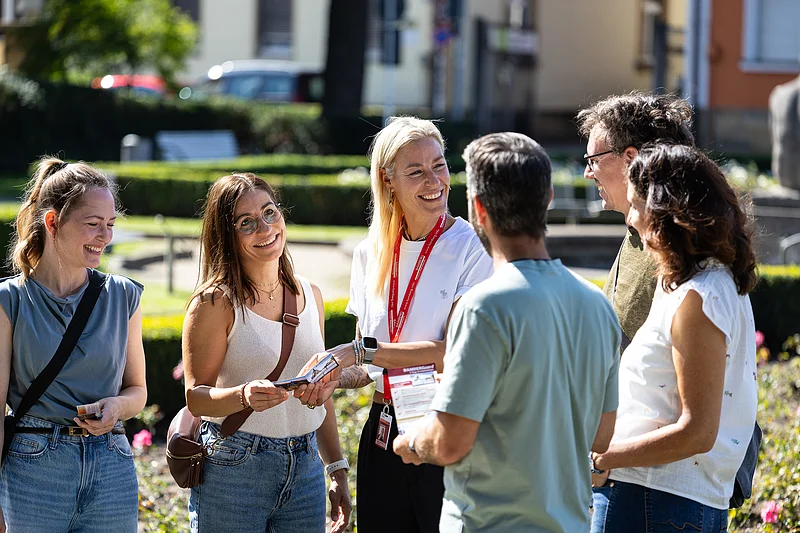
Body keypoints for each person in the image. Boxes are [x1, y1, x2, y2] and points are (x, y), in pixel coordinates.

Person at [391, 132, 621, 533]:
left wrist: (411, 442)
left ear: (478, 209)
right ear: (547, 197)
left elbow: (449, 442)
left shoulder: (484, 308)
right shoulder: (596, 304)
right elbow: (602, 436)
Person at [295, 116, 494, 532]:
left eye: (439, 166)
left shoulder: (472, 247)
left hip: (444, 428)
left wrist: (357, 352)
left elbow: (451, 354)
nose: (433, 180)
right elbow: (368, 369)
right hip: (383, 430)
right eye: (416, 171)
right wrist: (333, 377)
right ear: (388, 181)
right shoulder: (369, 253)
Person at [589, 144, 759, 532]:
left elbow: (697, 431)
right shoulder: (708, 284)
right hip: (661, 499)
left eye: (636, 205)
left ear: (667, 214)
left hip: (654, 501)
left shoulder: (700, 296)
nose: (631, 219)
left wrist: (601, 459)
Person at [181, 173, 351, 533]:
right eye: (247, 222)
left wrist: (336, 469)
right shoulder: (214, 303)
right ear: (227, 236)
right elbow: (197, 399)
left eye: (270, 212)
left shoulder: (310, 294)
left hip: (305, 470)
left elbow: (321, 393)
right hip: (235, 467)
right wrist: (243, 396)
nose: (265, 227)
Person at [0, 158, 147, 533]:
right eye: (94, 224)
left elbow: (137, 391)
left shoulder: (124, 296)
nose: (105, 236)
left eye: (110, 224)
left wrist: (116, 406)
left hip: (112, 469)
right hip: (33, 470)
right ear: (52, 223)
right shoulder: (9, 301)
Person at [576, 91, 695, 352]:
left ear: (630, 158)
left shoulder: (673, 246)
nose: (587, 173)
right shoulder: (642, 232)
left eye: (593, 161)